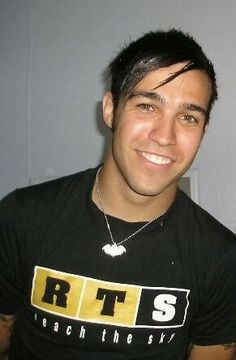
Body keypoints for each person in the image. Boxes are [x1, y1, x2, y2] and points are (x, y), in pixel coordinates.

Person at [0, 29, 236, 360]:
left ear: (203, 131)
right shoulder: (21, 217)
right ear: (111, 109)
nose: (164, 136)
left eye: (188, 117)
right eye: (146, 106)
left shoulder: (221, 259)